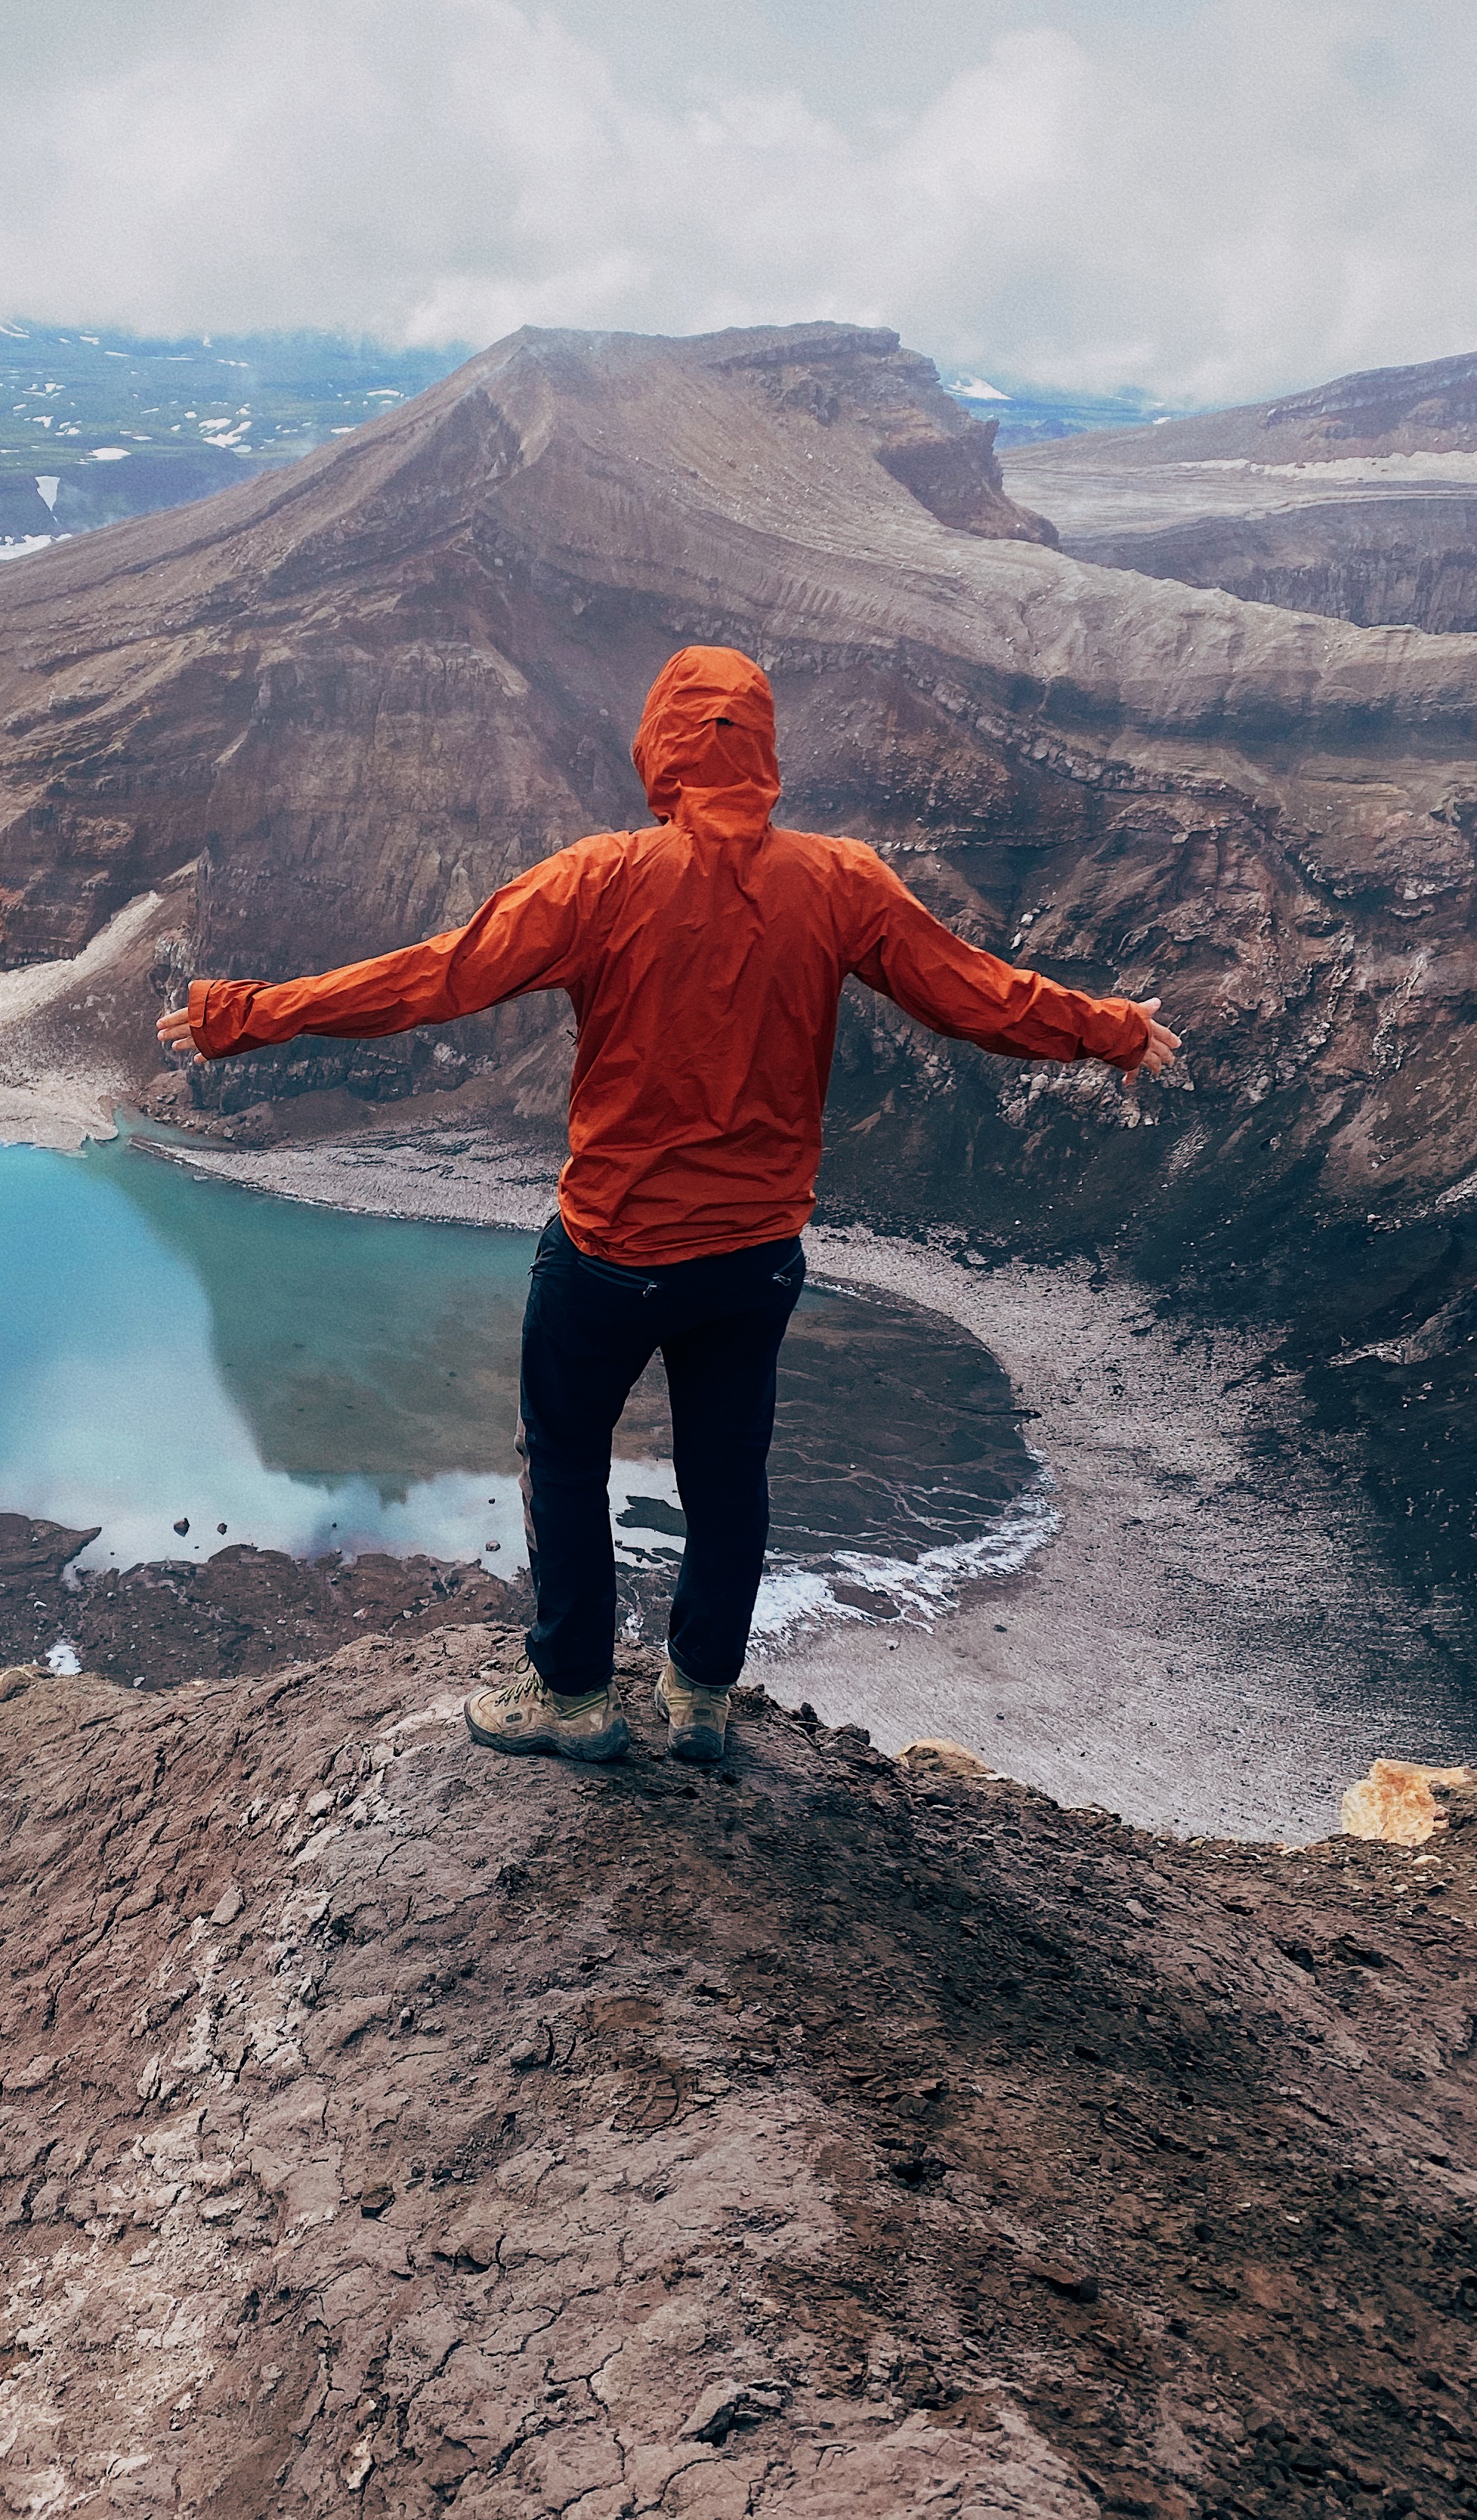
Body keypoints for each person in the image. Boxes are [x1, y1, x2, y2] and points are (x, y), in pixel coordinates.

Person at [158, 645, 1179, 1768]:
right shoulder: (842, 883)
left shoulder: (599, 880)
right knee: (728, 1477)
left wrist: (245, 1014)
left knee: (564, 1459)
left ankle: (576, 1696)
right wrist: (1110, 1029)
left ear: (661, 748)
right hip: (753, 1258)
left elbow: (433, 978)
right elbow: (973, 995)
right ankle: (700, 1696)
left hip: (611, 1252)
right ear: (764, 753)